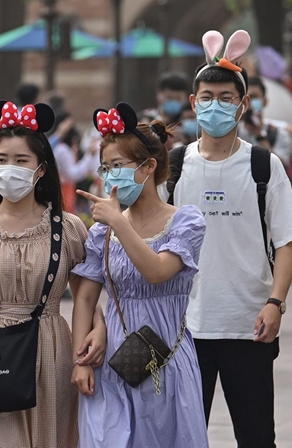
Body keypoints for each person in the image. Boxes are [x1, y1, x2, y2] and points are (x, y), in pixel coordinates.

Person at [163, 30, 292, 448]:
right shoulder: (173, 166)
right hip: (184, 327)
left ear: (243, 105)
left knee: (257, 436)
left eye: (226, 98)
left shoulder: (264, 165)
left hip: (250, 325)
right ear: (194, 103)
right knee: (184, 436)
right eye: (207, 97)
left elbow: (287, 243)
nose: (215, 105)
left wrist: (275, 303)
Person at [0, 100, 105, 448]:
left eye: (21, 161)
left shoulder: (68, 229)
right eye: (2, 160)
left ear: (41, 169)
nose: (9, 168)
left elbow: (85, 299)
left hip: (49, 352)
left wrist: (96, 335)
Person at [71, 101, 208, 448]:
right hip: (114, 359)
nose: (110, 176)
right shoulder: (102, 232)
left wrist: (119, 221)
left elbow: (158, 271)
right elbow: (85, 297)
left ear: (148, 166)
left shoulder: (186, 221)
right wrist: (80, 361)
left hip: (166, 357)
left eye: (118, 165)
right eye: (105, 167)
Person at [238, 76, 292, 166]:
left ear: (265, 101)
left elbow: (282, 167)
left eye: (254, 97)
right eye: (246, 98)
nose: (249, 102)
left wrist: (260, 136)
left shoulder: (278, 134)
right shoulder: (233, 132)